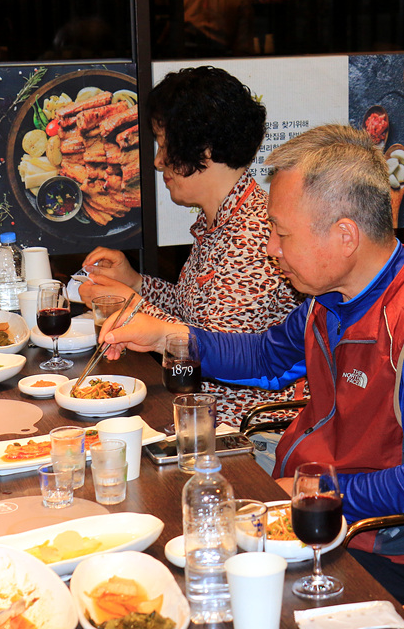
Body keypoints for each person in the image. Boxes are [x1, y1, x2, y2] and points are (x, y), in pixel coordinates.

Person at [98, 124, 404, 603]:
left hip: (379, 550)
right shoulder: (331, 299)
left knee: (202, 586)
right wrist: (166, 336)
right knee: (171, 536)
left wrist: (311, 490)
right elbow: (266, 357)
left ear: (345, 236)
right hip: (312, 510)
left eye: (282, 234)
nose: (271, 249)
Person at [79, 66, 301, 428]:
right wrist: (136, 283)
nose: (157, 161)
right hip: (200, 413)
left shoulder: (255, 234)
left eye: (164, 144)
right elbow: (193, 314)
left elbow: (216, 349)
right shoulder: (220, 220)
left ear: (204, 148)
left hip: (243, 426)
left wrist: (133, 308)